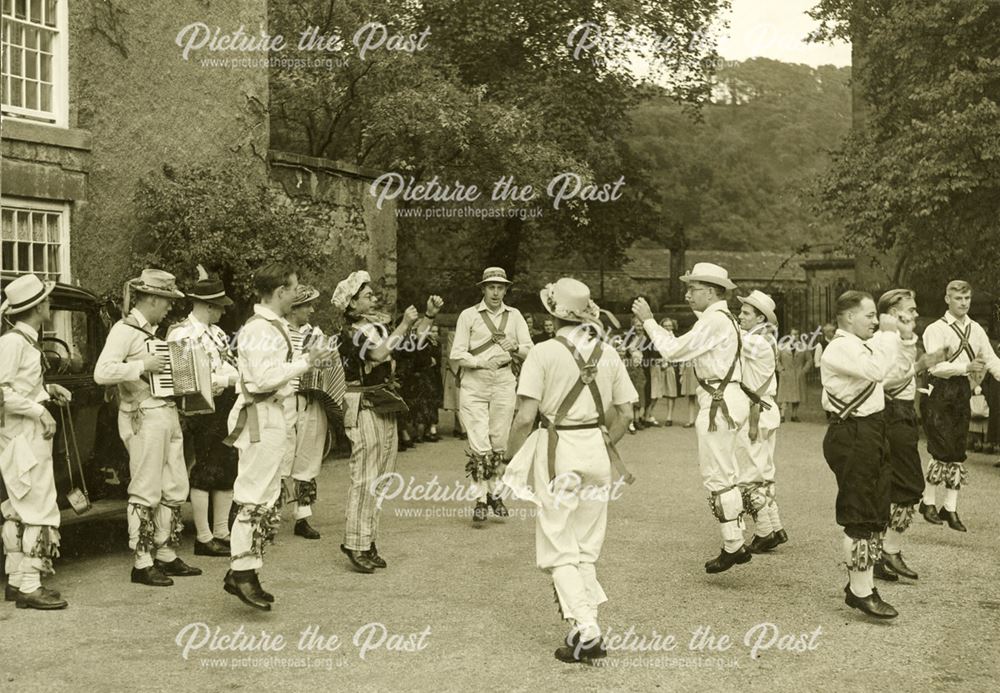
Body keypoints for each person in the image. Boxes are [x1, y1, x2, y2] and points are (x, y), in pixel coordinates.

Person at [503, 277, 637, 663]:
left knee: (559, 546)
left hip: (558, 450)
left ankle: (587, 628)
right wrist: (605, 441)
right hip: (596, 449)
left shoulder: (542, 353)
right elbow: (627, 413)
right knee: (585, 547)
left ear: (552, 315)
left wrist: (508, 460)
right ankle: (587, 626)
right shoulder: (608, 352)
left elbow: (524, 418)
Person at [222, 263, 333, 610]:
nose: (296, 295)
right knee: (254, 493)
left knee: (267, 493)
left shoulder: (272, 326)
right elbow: (262, 378)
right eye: (293, 289)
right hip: (259, 414)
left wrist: (308, 361)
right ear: (280, 291)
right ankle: (241, 571)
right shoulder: (259, 329)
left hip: (272, 412)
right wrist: (305, 362)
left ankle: (245, 567)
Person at [634, 263, 753, 573]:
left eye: (692, 289)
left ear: (711, 292)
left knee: (718, 474)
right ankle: (736, 538)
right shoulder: (722, 318)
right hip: (728, 398)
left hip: (718, 402)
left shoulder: (715, 320)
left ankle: (734, 544)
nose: (687, 295)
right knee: (727, 471)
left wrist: (648, 321)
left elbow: (672, 351)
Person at [95, 269, 202, 587]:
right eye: (167, 301)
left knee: (173, 486)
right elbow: (102, 372)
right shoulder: (124, 330)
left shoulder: (156, 334)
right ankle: (142, 561)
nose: (170, 308)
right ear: (152, 299)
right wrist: (142, 366)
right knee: (145, 488)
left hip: (166, 415)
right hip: (142, 416)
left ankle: (165, 552)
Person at [334, 270, 443, 572]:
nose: (373, 298)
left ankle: (367, 540)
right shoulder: (349, 334)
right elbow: (379, 355)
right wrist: (406, 323)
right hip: (363, 405)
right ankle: (355, 542)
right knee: (364, 476)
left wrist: (428, 318)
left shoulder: (376, 327)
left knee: (381, 477)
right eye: (366, 295)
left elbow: (412, 348)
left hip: (384, 404)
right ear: (351, 303)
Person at [820, 291, 897, 619]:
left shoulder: (859, 347)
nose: (876, 321)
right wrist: (892, 334)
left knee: (877, 504)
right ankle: (860, 590)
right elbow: (878, 370)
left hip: (871, 430)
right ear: (849, 317)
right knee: (859, 510)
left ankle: (863, 583)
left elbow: (887, 375)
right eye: (869, 316)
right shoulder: (839, 348)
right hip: (852, 433)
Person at [0, 274, 72, 609]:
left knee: (19, 506)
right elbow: (2, 392)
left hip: (25, 435)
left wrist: (47, 391)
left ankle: (16, 579)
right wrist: (37, 410)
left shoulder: (25, 341)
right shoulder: (13, 343)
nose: (50, 303)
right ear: (37, 306)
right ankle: (30, 585)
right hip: (22, 437)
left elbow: (22, 385)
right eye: (46, 300)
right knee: (37, 506)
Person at [870, 289, 947, 582]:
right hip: (893, 413)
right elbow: (885, 381)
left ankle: (879, 554)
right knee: (909, 484)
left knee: (889, 485)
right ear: (893, 312)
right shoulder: (885, 339)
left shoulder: (896, 338)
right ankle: (890, 548)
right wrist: (920, 366)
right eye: (910, 310)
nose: (915, 315)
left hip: (900, 412)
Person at [167, 268, 239, 558]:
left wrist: (233, 378)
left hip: (225, 405)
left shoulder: (217, 333)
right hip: (202, 409)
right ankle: (203, 535)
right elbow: (186, 381)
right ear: (208, 305)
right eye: (220, 307)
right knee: (206, 468)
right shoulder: (182, 334)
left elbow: (232, 363)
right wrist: (227, 380)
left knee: (227, 467)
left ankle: (221, 531)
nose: (223, 312)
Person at [450, 267, 532, 524]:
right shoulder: (468, 316)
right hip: (475, 383)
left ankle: (495, 494)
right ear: (483, 289)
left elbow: (531, 351)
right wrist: (479, 363)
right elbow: (456, 354)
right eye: (491, 287)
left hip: (504, 381)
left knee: (499, 441)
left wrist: (516, 347)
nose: (496, 292)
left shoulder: (515, 316)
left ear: (506, 290)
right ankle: (480, 499)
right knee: (479, 442)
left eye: (500, 287)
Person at [920, 280, 1000, 531]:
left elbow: (991, 360)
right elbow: (935, 367)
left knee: (957, 448)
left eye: (967, 299)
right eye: (958, 298)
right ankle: (928, 501)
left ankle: (950, 507)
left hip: (960, 391)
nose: (963, 303)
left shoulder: (976, 329)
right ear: (947, 299)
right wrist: (966, 367)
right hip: (939, 390)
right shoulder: (936, 329)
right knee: (941, 447)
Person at [733, 290, 787, 553]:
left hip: (756, 411)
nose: (739, 316)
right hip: (766, 409)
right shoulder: (764, 338)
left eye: (745, 312)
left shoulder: (755, 341)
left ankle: (765, 531)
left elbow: (729, 338)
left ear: (760, 317)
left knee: (748, 474)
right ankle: (775, 527)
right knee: (763, 472)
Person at [280, 284, 329, 540]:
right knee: (281, 453)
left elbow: (326, 364)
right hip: (284, 398)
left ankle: (303, 516)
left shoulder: (315, 333)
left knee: (308, 453)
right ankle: (269, 517)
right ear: (294, 308)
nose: (311, 310)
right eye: (307, 305)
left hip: (310, 399)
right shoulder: (278, 331)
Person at [776, 328, 809, 422]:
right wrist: (781, 370)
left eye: (797, 334)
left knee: (797, 396)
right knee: (784, 396)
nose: (796, 336)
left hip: (798, 374)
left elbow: (809, 360)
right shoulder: (781, 347)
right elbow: (776, 360)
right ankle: (782, 415)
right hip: (786, 374)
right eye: (794, 334)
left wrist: (803, 371)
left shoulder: (804, 347)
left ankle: (794, 415)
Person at [441, 328, 465, 439]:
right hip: (456, 371)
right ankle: (463, 429)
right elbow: (451, 354)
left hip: (466, 369)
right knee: (457, 399)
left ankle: (457, 428)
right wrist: (458, 371)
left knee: (461, 399)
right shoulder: (453, 334)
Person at [659, 318, 681, 426]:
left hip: (670, 367)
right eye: (665, 326)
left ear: (673, 327)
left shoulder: (675, 339)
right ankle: (647, 415)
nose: (667, 328)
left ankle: (669, 417)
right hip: (658, 367)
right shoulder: (657, 339)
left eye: (669, 325)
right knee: (654, 392)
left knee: (670, 393)